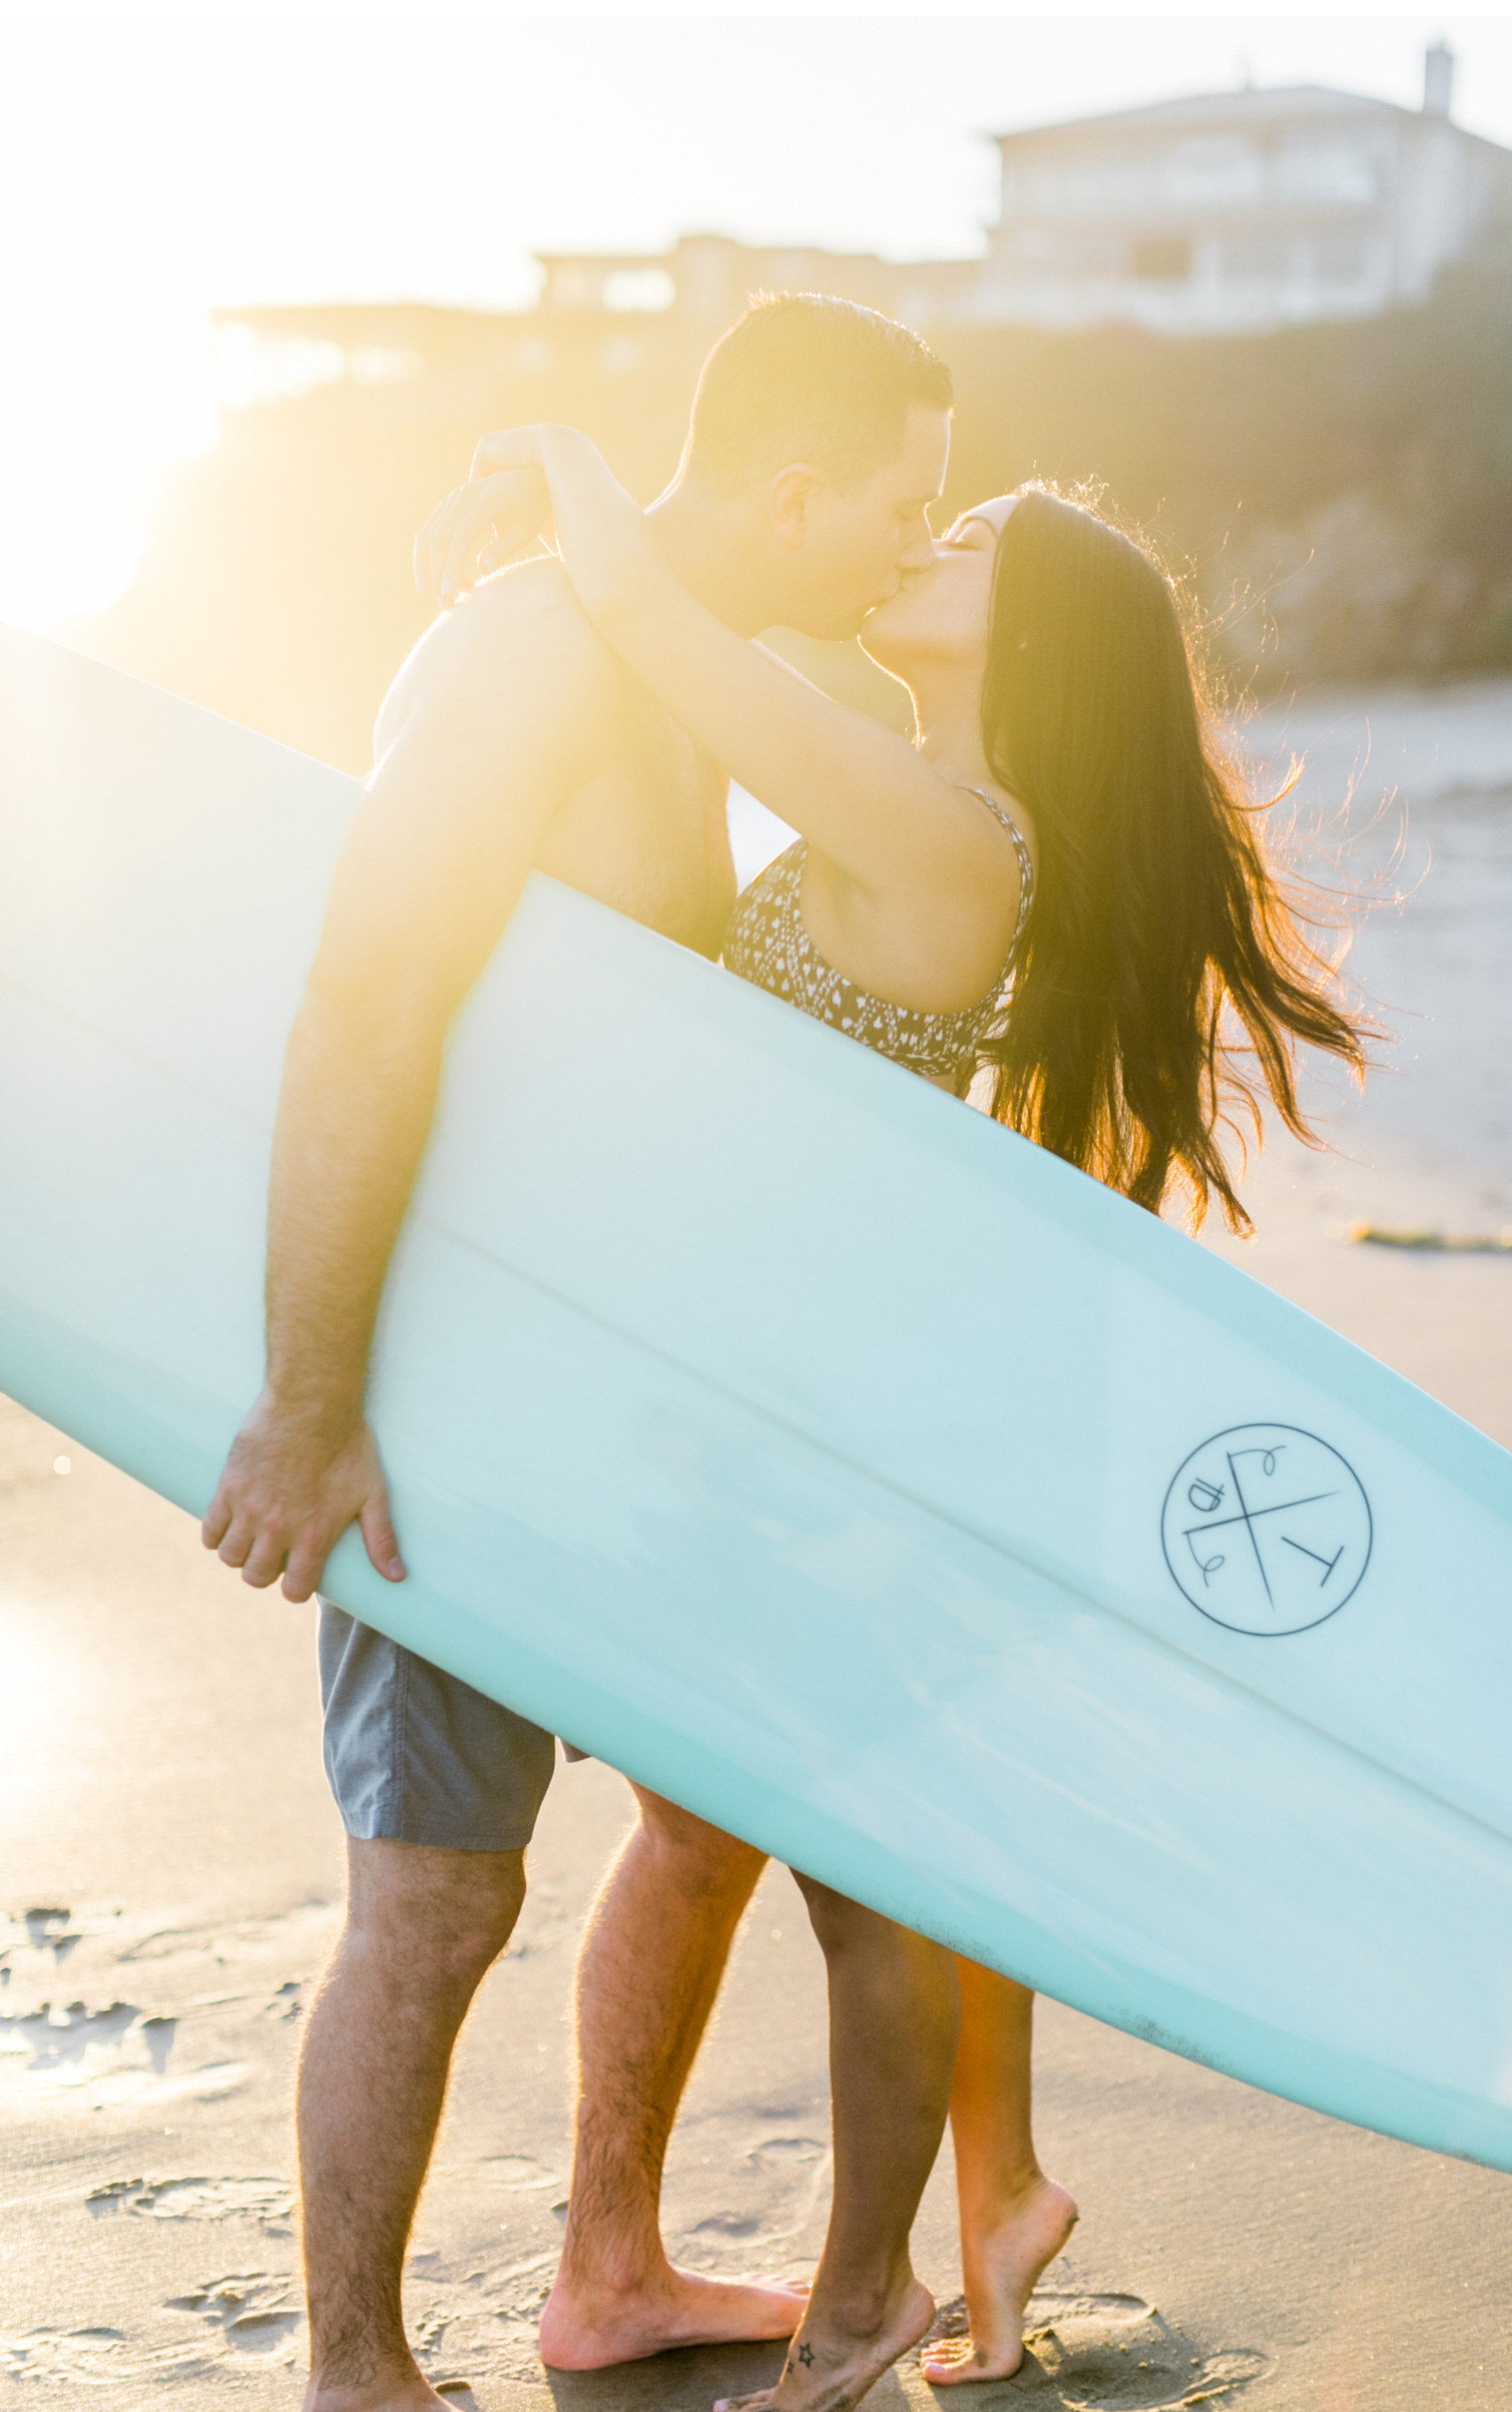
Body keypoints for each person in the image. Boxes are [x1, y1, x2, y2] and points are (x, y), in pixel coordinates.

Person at [417, 421, 1372, 2412]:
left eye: (966, 537)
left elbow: (673, 644)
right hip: (786, 1381)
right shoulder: (946, 801)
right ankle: (950, 2203)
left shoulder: (957, 830)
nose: (916, 539)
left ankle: (862, 2299)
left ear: (1022, 634)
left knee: (877, 1861)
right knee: (777, 1827)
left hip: (805, 1416)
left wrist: (577, 473)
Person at [199, 295, 968, 2412]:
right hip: (448, 1400)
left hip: (627, 1408)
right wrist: (310, 1395)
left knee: (710, 1828)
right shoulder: (535, 656)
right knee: (436, 1900)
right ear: (792, 490)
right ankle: (357, 2370)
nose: (908, 547)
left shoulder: (658, 654)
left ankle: (607, 2263)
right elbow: (364, 995)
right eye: (891, 506)